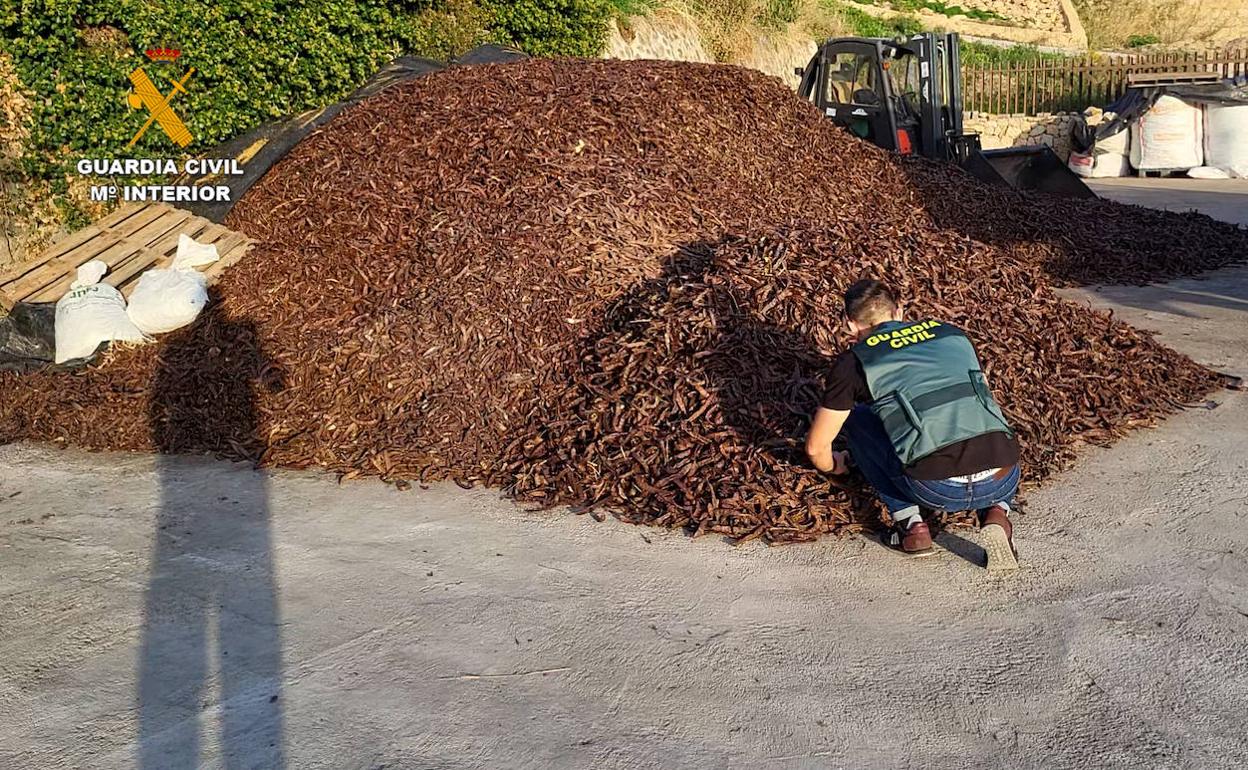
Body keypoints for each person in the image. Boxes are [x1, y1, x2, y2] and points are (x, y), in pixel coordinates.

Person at [805, 279, 1021, 571]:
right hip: (1003, 473)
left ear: (850, 325)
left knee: (857, 418)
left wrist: (836, 465)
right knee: (978, 419)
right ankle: (997, 512)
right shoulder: (952, 335)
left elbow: (817, 447)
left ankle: (911, 526)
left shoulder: (854, 363)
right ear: (900, 312)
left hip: (935, 487)